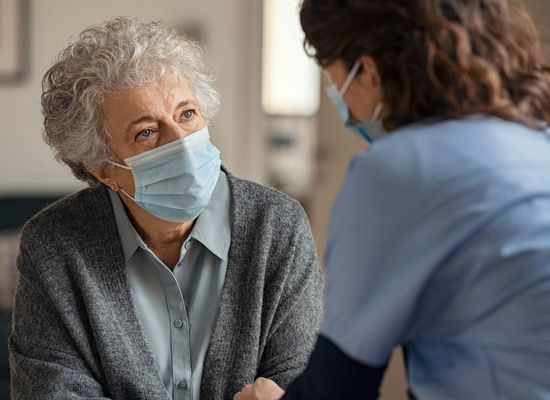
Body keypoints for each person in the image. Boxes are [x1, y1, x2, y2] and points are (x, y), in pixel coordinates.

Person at [234, 0, 550, 399]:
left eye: (336, 83)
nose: (344, 105)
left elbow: (338, 389)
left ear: (367, 71)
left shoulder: (402, 169)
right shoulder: (537, 138)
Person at [9, 17, 324, 400]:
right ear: (104, 170)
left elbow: (303, 384)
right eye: (146, 132)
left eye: (186, 114)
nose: (181, 143)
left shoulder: (278, 227)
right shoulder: (54, 245)